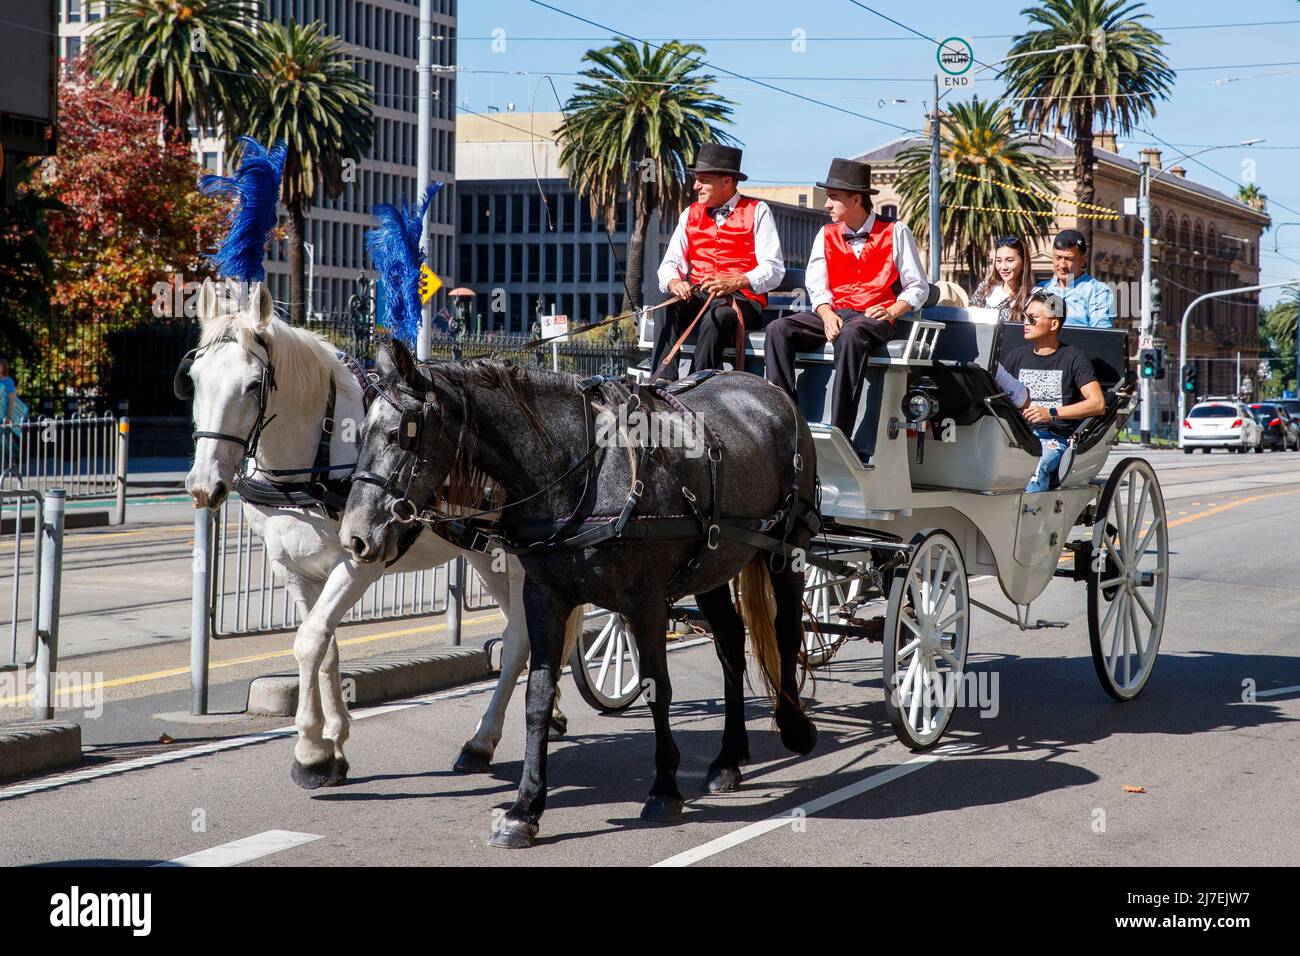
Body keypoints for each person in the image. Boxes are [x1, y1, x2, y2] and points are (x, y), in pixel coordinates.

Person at [763, 158, 928, 468]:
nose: (827, 204)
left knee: (851, 335)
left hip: (875, 316)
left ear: (856, 199)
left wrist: (892, 308)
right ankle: (786, 420)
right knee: (778, 330)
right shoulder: (825, 234)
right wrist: (825, 313)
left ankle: (840, 433)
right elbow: (816, 285)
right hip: (836, 310)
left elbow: (917, 287)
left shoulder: (896, 230)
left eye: (834, 197)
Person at [651, 143, 784, 380]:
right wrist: (674, 283)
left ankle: (695, 384)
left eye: (703, 180)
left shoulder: (758, 211)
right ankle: (662, 378)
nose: (695, 186)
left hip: (742, 300)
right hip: (700, 295)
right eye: (696, 179)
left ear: (727, 182)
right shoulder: (689, 213)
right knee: (667, 301)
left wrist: (737, 281)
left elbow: (773, 269)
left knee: (719, 316)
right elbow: (669, 264)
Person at [1002, 289, 1105, 492]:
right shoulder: (1015, 357)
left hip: (1053, 438)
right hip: (1016, 435)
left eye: (1032, 318)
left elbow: (1097, 403)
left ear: (1054, 323)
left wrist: (1051, 412)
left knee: (1037, 466)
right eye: (1024, 317)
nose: (1025, 322)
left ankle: (1029, 516)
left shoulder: (1074, 358)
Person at [1037, 229, 1114, 327]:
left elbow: (1100, 335)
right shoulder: (1041, 289)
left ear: (1083, 260)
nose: (1062, 265)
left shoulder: (1099, 292)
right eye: (1058, 258)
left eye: (1069, 259)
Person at [971, 235, 1034, 322]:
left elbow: (1057, 321)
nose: (1003, 267)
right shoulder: (985, 288)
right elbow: (970, 319)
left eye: (1010, 260)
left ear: (1023, 262)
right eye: (999, 261)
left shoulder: (1035, 295)